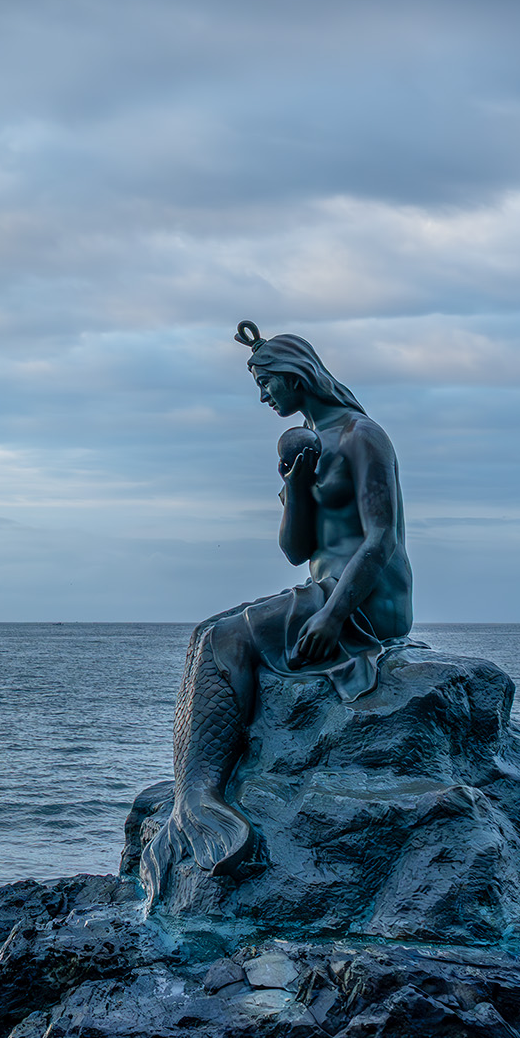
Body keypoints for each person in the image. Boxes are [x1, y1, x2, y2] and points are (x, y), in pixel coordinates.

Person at [138, 322, 413, 902]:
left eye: (266, 383)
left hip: (367, 601)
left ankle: (201, 795)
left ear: (295, 376)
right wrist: (298, 485)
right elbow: (295, 550)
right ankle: (195, 793)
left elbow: (381, 538)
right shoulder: (308, 446)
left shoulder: (363, 435)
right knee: (205, 635)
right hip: (323, 587)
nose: (264, 396)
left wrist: (332, 616)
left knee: (224, 639)